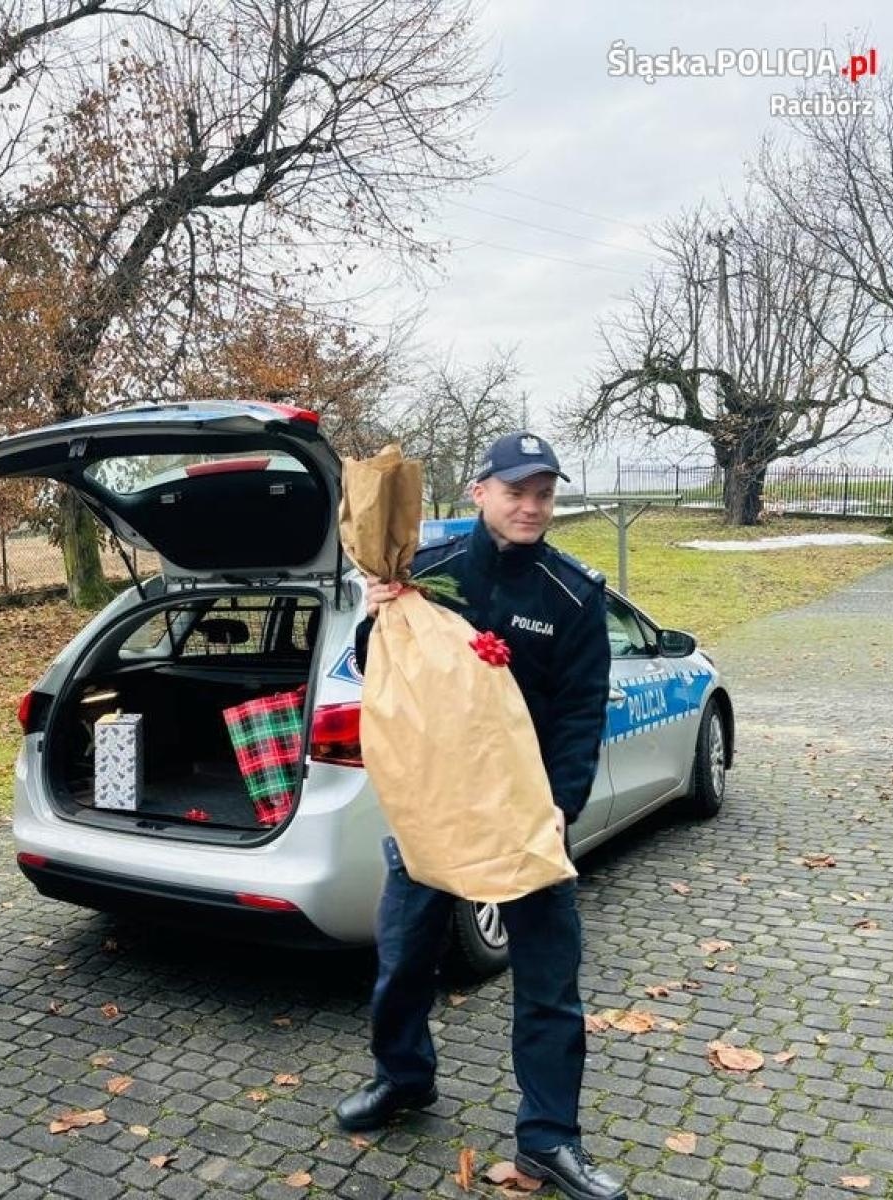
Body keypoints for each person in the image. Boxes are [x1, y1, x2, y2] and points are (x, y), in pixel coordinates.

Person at [334, 432, 626, 1200]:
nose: (531, 506)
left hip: (525, 819)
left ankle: (549, 1141)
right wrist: (375, 618)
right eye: (516, 491)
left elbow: (579, 714)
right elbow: (378, 669)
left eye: (544, 494)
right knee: (402, 961)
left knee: (549, 985)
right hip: (435, 808)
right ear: (480, 492)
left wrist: (558, 812)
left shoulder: (572, 594)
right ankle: (402, 1080)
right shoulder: (424, 571)